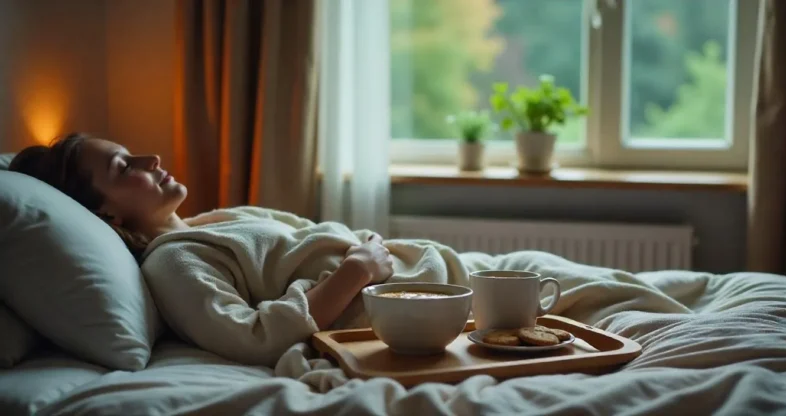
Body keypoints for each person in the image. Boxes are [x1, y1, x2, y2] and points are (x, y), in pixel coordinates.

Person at [9, 133, 476, 366]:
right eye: (123, 166)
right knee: (542, 282)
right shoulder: (173, 261)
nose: (151, 160)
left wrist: (369, 252)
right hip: (419, 299)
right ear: (108, 217)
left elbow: (314, 234)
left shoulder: (216, 220)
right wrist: (357, 269)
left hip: (427, 265)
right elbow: (254, 336)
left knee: (542, 272)